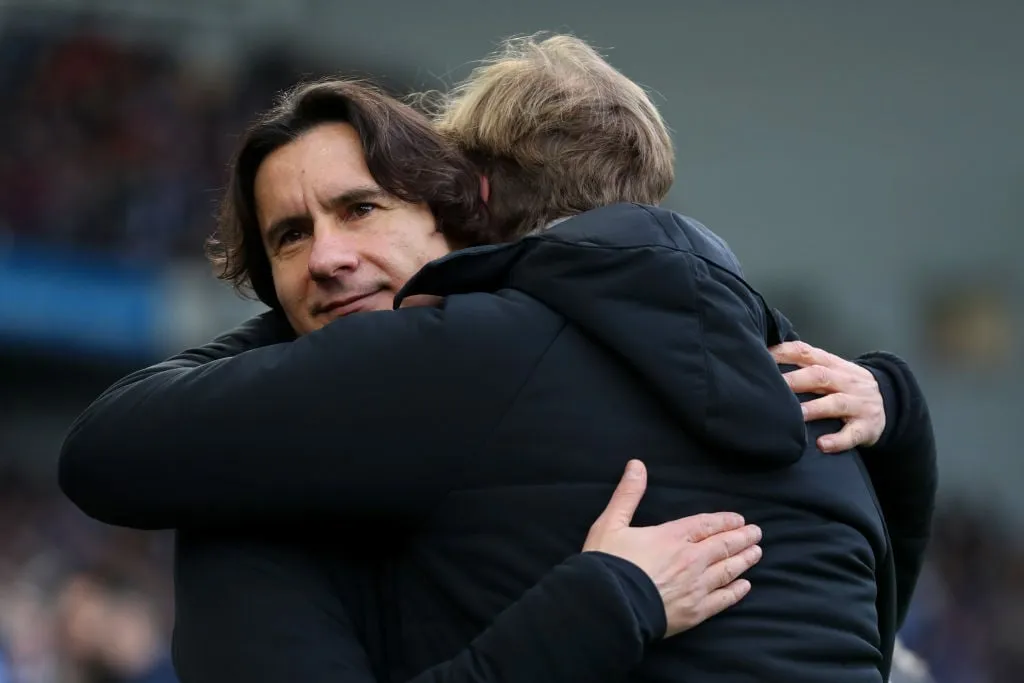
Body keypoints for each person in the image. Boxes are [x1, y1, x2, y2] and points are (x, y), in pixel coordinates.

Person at [58, 35, 936, 683]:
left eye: (362, 210)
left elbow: (105, 452)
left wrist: (609, 600)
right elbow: (879, 612)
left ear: (463, 204)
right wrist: (901, 404)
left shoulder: (460, 361)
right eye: (291, 237)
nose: (327, 257)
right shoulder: (816, 391)